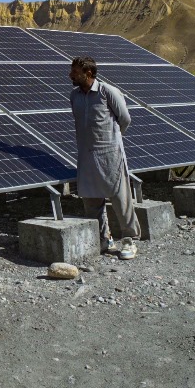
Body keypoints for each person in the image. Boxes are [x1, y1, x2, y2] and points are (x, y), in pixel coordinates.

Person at [69, 56, 140, 259]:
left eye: (75, 72)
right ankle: (103, 239)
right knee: (91, 199)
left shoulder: (107, 92)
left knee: (120, 197)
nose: (70, 75)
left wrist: (112, 140)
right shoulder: (74, 96)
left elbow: (124, 119)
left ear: (88, 73)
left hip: (109, 154)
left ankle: (129, 239)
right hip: (86, 154)